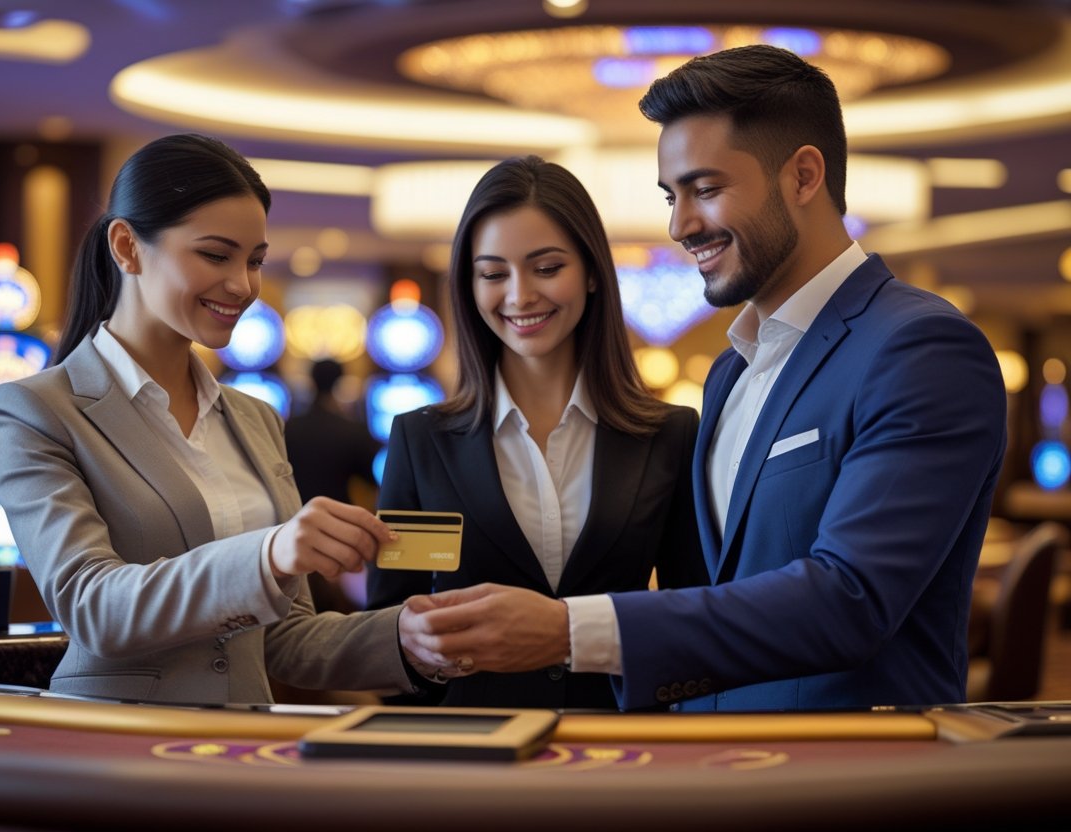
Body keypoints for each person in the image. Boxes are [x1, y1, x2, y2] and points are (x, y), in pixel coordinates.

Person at [398, 45, 1008, 712]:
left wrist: (568, 630)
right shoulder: (729, 371)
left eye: (706, 189)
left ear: (804, 175)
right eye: (672, 195)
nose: (679, 225)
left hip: (850, 774)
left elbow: (850, 600)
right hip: (710, 769)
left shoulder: (918, 346)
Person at [0, 133, 429, 705]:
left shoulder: (256, 418)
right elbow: (91, 608)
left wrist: (409, 635)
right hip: (111, 746)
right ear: (127, 246)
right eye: (216, 255)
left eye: (256, 261)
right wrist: (269, 554)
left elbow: (284, 642)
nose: (243, 285)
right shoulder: (35, 410)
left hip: (234, 749)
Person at [368, 155, 704, 709]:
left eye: (547, 268)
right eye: (494, 273)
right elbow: (390, 635)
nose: (520, 296)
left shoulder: (669, 434)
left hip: (621, 753)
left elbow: (691, 616)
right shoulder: (422, 441)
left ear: (593, 272)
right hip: (469, 759)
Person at [285, 359, 381, 507]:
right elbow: (375, 480)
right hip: (338, 516)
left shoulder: (287, 428)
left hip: (294, 517)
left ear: (311, 381)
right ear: (339, 382)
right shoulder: (352, 431)